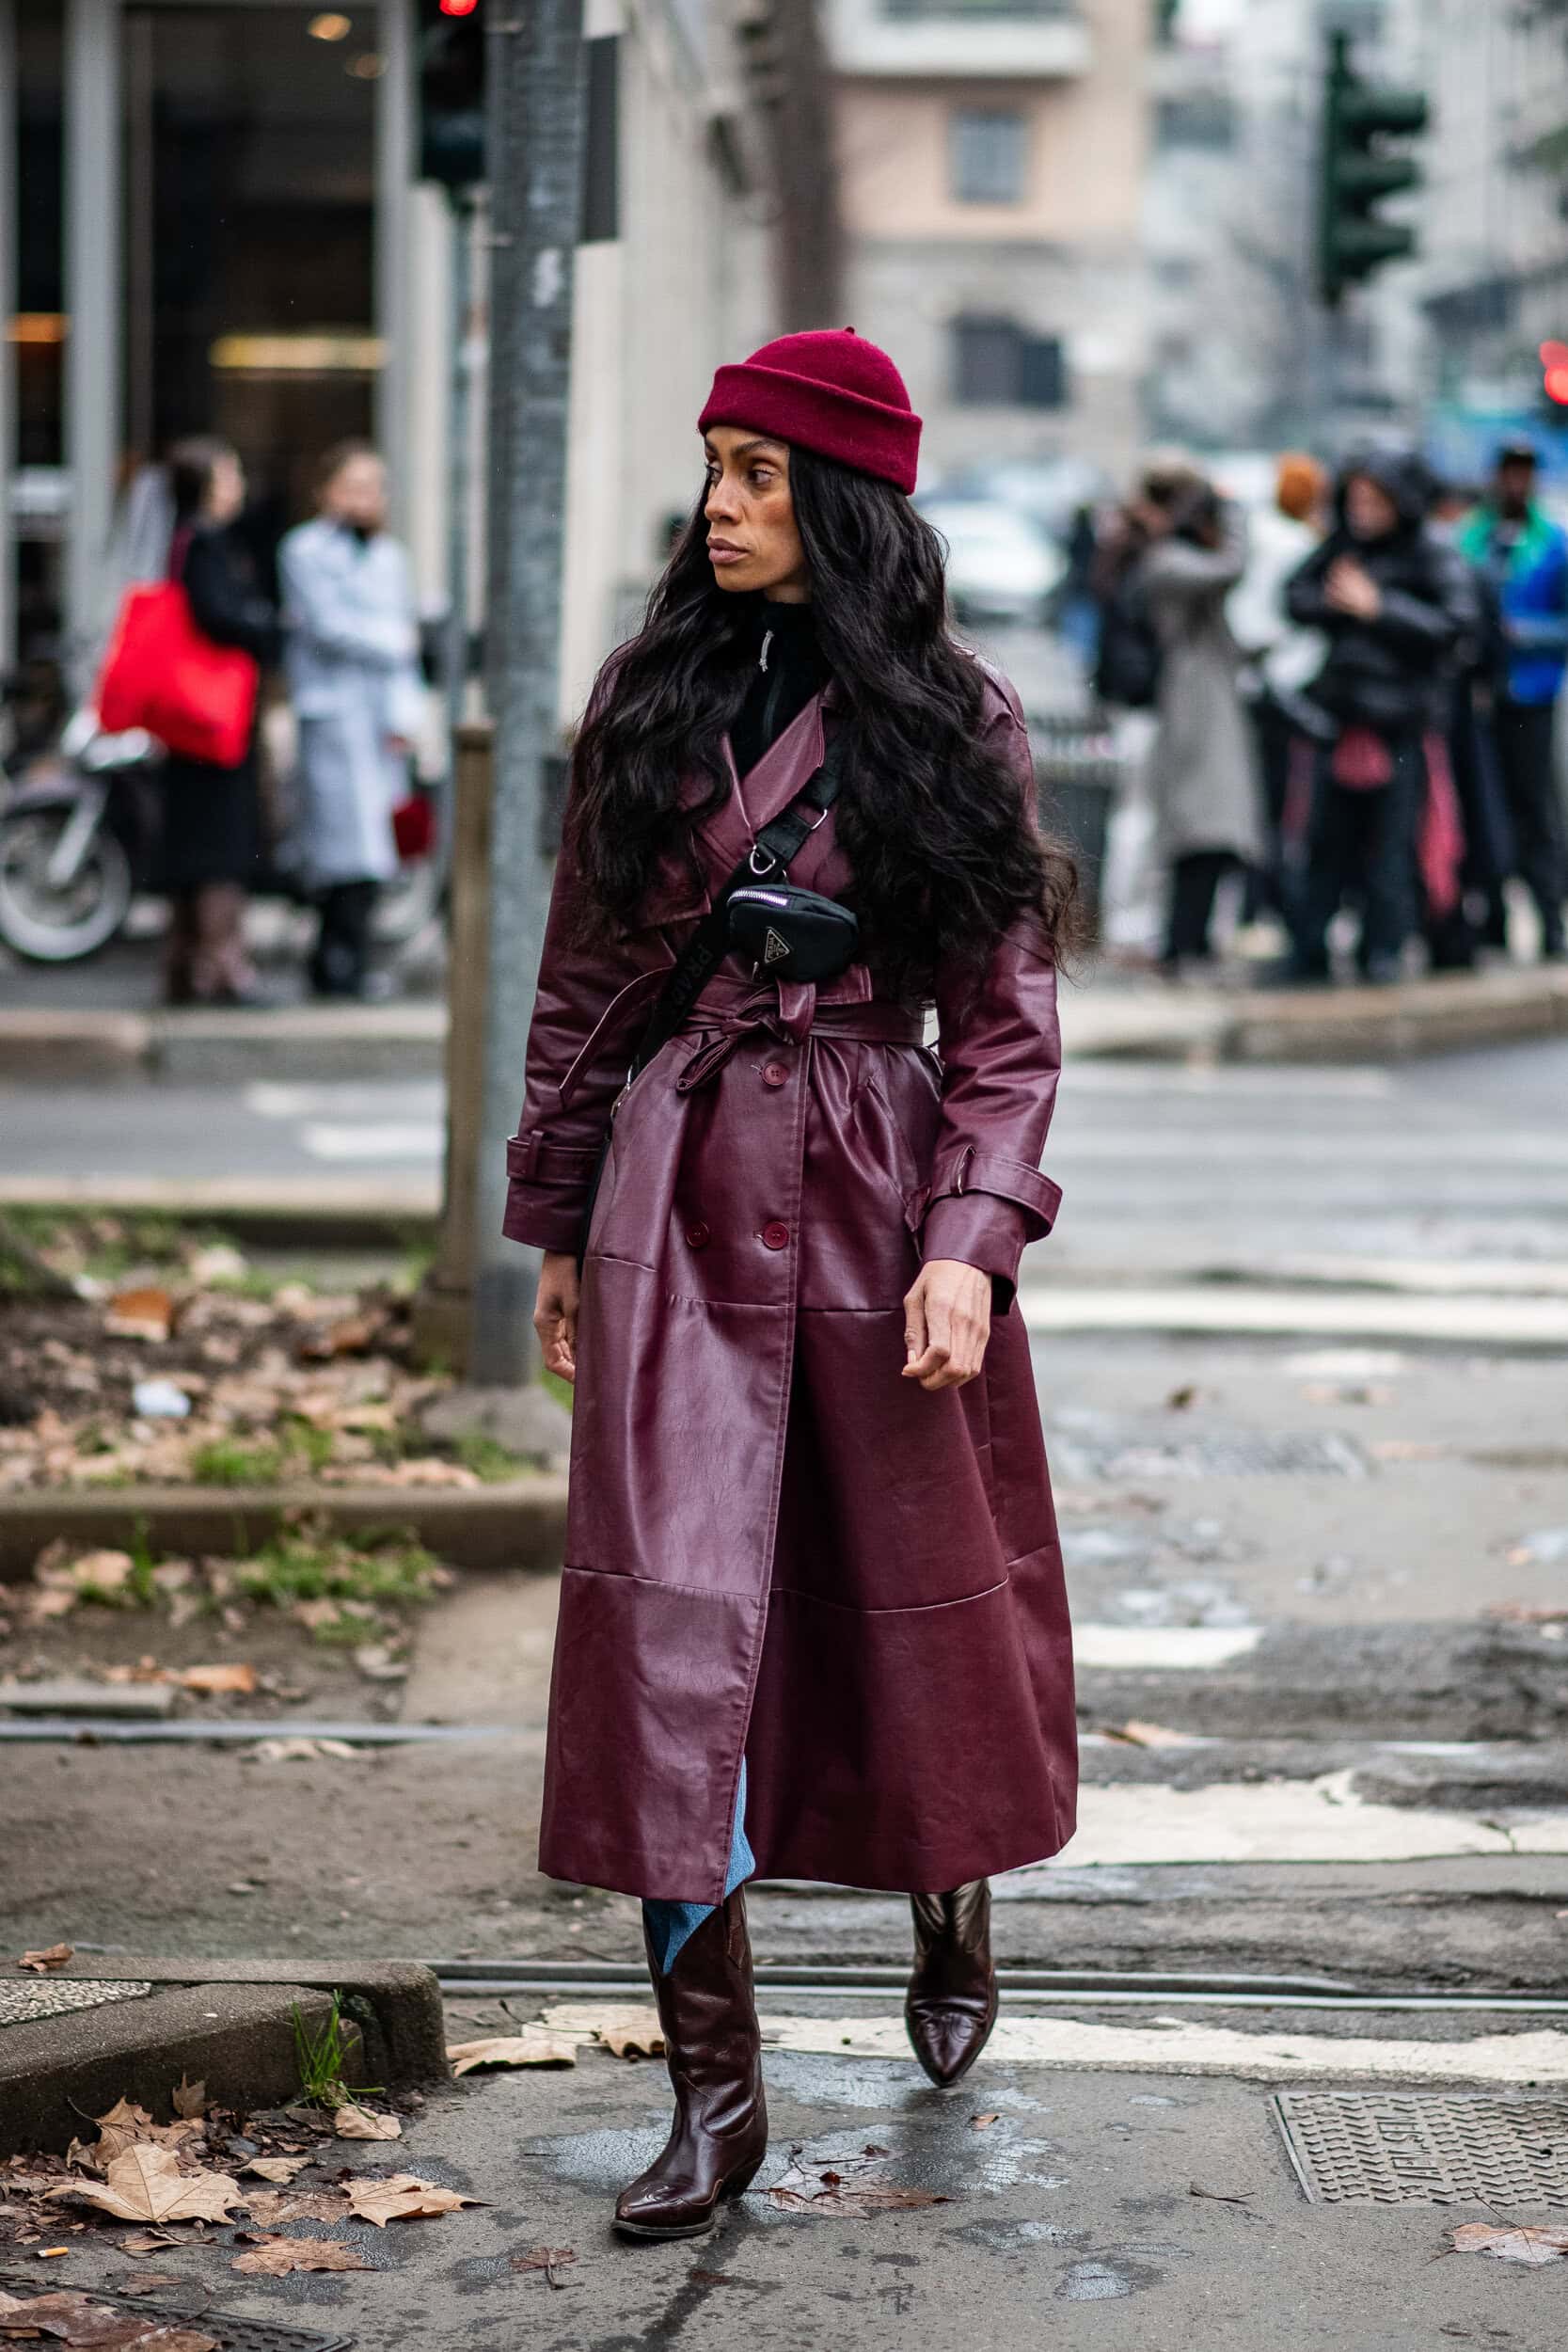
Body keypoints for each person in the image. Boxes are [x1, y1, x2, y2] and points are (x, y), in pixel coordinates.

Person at [503, 329, 1080, 2243]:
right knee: (666, 1632)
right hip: (673, 1195)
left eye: (758, 473)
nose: (721, 503)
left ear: (839, 501)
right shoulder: (647, 693)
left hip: (870, 1192)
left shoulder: (953, 716)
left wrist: (966, 1246)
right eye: (714, 468)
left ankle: (948, 1889)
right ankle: (713, 2093)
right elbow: (584, 987)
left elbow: (1003, 1028)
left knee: (911, 1609)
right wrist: (557, 1230)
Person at [1283, 448, 1478, 983]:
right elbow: (1296, 595)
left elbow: (1457, 627)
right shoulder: (1342, 547)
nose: (1363, 510)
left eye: (1375, 500)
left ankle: (1383, 951)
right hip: (1338, 722)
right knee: (1323, 844)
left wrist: (1378, 607)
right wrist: (1342, 605)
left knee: (1392, 849)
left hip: (1400, 728)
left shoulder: (1430, 554)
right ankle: (1309, 949)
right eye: (1357, 500)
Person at [279, 443, 424, 999]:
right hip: (334, 715)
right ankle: (332, 964)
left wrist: (406, 714)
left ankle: (352, 963)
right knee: (339, 848)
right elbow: (328, 625)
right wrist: (391, 641)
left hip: (378, 719)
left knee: (373, 849)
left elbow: (400, 643)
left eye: (375, 486)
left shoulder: (391, 557)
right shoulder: (303, 550)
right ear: (328, 492)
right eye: (354, 486)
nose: (367, 498)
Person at [159, 437, 280, 1007]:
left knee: (198, 846)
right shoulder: (204, 543)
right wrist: (267, 623)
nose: (238, 486)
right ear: (207, 485)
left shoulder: (184, 540)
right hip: (213, 725)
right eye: (229, 476)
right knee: (221, 847)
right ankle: (222, 967)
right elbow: (219, 616)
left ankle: (188, 966)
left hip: (195, 723)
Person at [1135, 462, 1262, 973]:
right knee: (1198, 830)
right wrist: (1235, 518)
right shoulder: (1166, 561)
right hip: (1194, 708)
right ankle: (1180, 943)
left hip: (1210, 701)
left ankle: (1194, 941)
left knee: (1215, 833)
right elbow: (1232, 568)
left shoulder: (1172, 559)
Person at [1458, 443, 1568, 961]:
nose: (1515, 483)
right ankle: (1492, 920)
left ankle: (1550, 919)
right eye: (1508, 472)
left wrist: (1521, 634)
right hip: (1481, 697)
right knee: (1484, 807)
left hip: (1531, 693)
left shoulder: (1552, 545)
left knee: (1534, 807)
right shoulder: (1470, 540)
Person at [1227, 453, 1327, 917]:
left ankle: (1258, 897)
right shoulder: (1301, 544)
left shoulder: (1263, 536)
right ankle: (1271, 896)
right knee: (1285, 800)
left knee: (1263, 797)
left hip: (1260, 680)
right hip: (1289, 682)